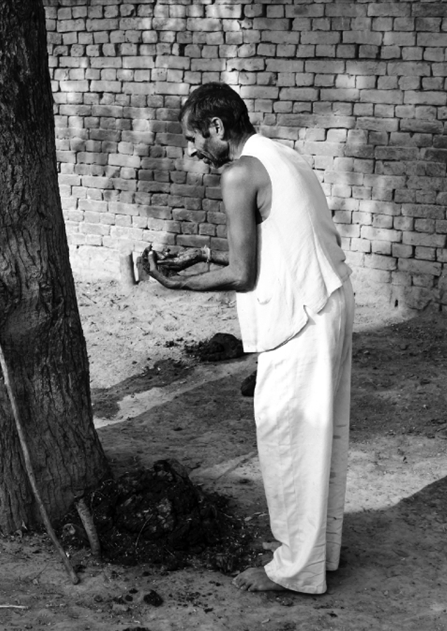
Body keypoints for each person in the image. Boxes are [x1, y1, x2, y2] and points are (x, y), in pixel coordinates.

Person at [142, 82, 355, 595]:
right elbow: (271, 243)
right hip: (330, 300)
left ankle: (295, 569)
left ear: (217, 129)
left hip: (303, 318)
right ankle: (310, 552)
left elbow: (243, 272)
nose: (193, 152)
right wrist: (202, 256)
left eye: (195, 138)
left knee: (289, 442)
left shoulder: (238, 172)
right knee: (321, 441)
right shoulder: (280, 153)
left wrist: (177, 283)